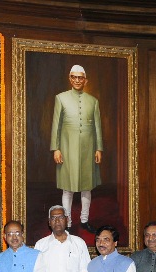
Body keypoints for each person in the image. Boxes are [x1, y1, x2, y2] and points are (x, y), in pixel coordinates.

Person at [50, 65, 103, 233]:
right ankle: (68, 222)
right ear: (70, 79)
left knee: (87, 187)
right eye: (74, 77)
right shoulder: (61, 98)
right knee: (68, 187)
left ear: (85, 80)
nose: (77, 80)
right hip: (67, 148)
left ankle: (84, 220)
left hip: (89, 149)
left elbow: (97, 127)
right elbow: (56, 125)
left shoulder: (93, 101)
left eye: (80, 77)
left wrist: (99, 148)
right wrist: (56, 148)